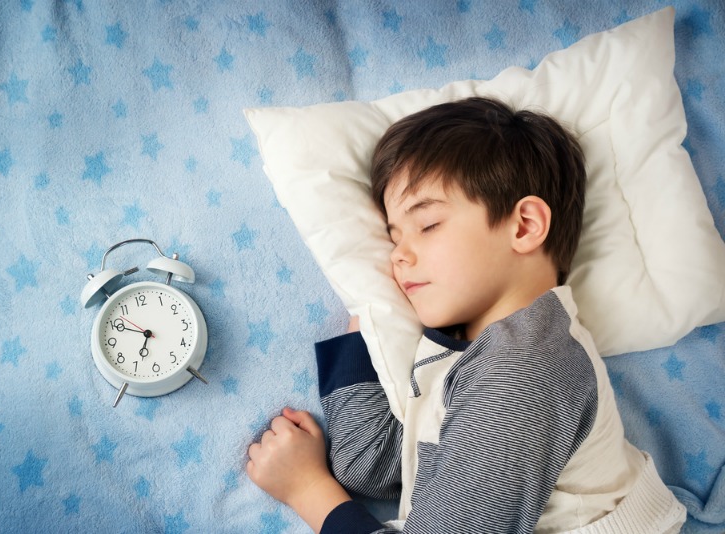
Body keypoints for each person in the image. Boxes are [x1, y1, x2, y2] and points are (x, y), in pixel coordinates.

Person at [246, 97, 687, 533]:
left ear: (524, 226)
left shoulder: (526, 368)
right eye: (393, 237)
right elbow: (377, 466)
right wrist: (366, 320)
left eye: (428, 225)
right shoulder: (466, 354)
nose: (399, 256)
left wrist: (307, 491)